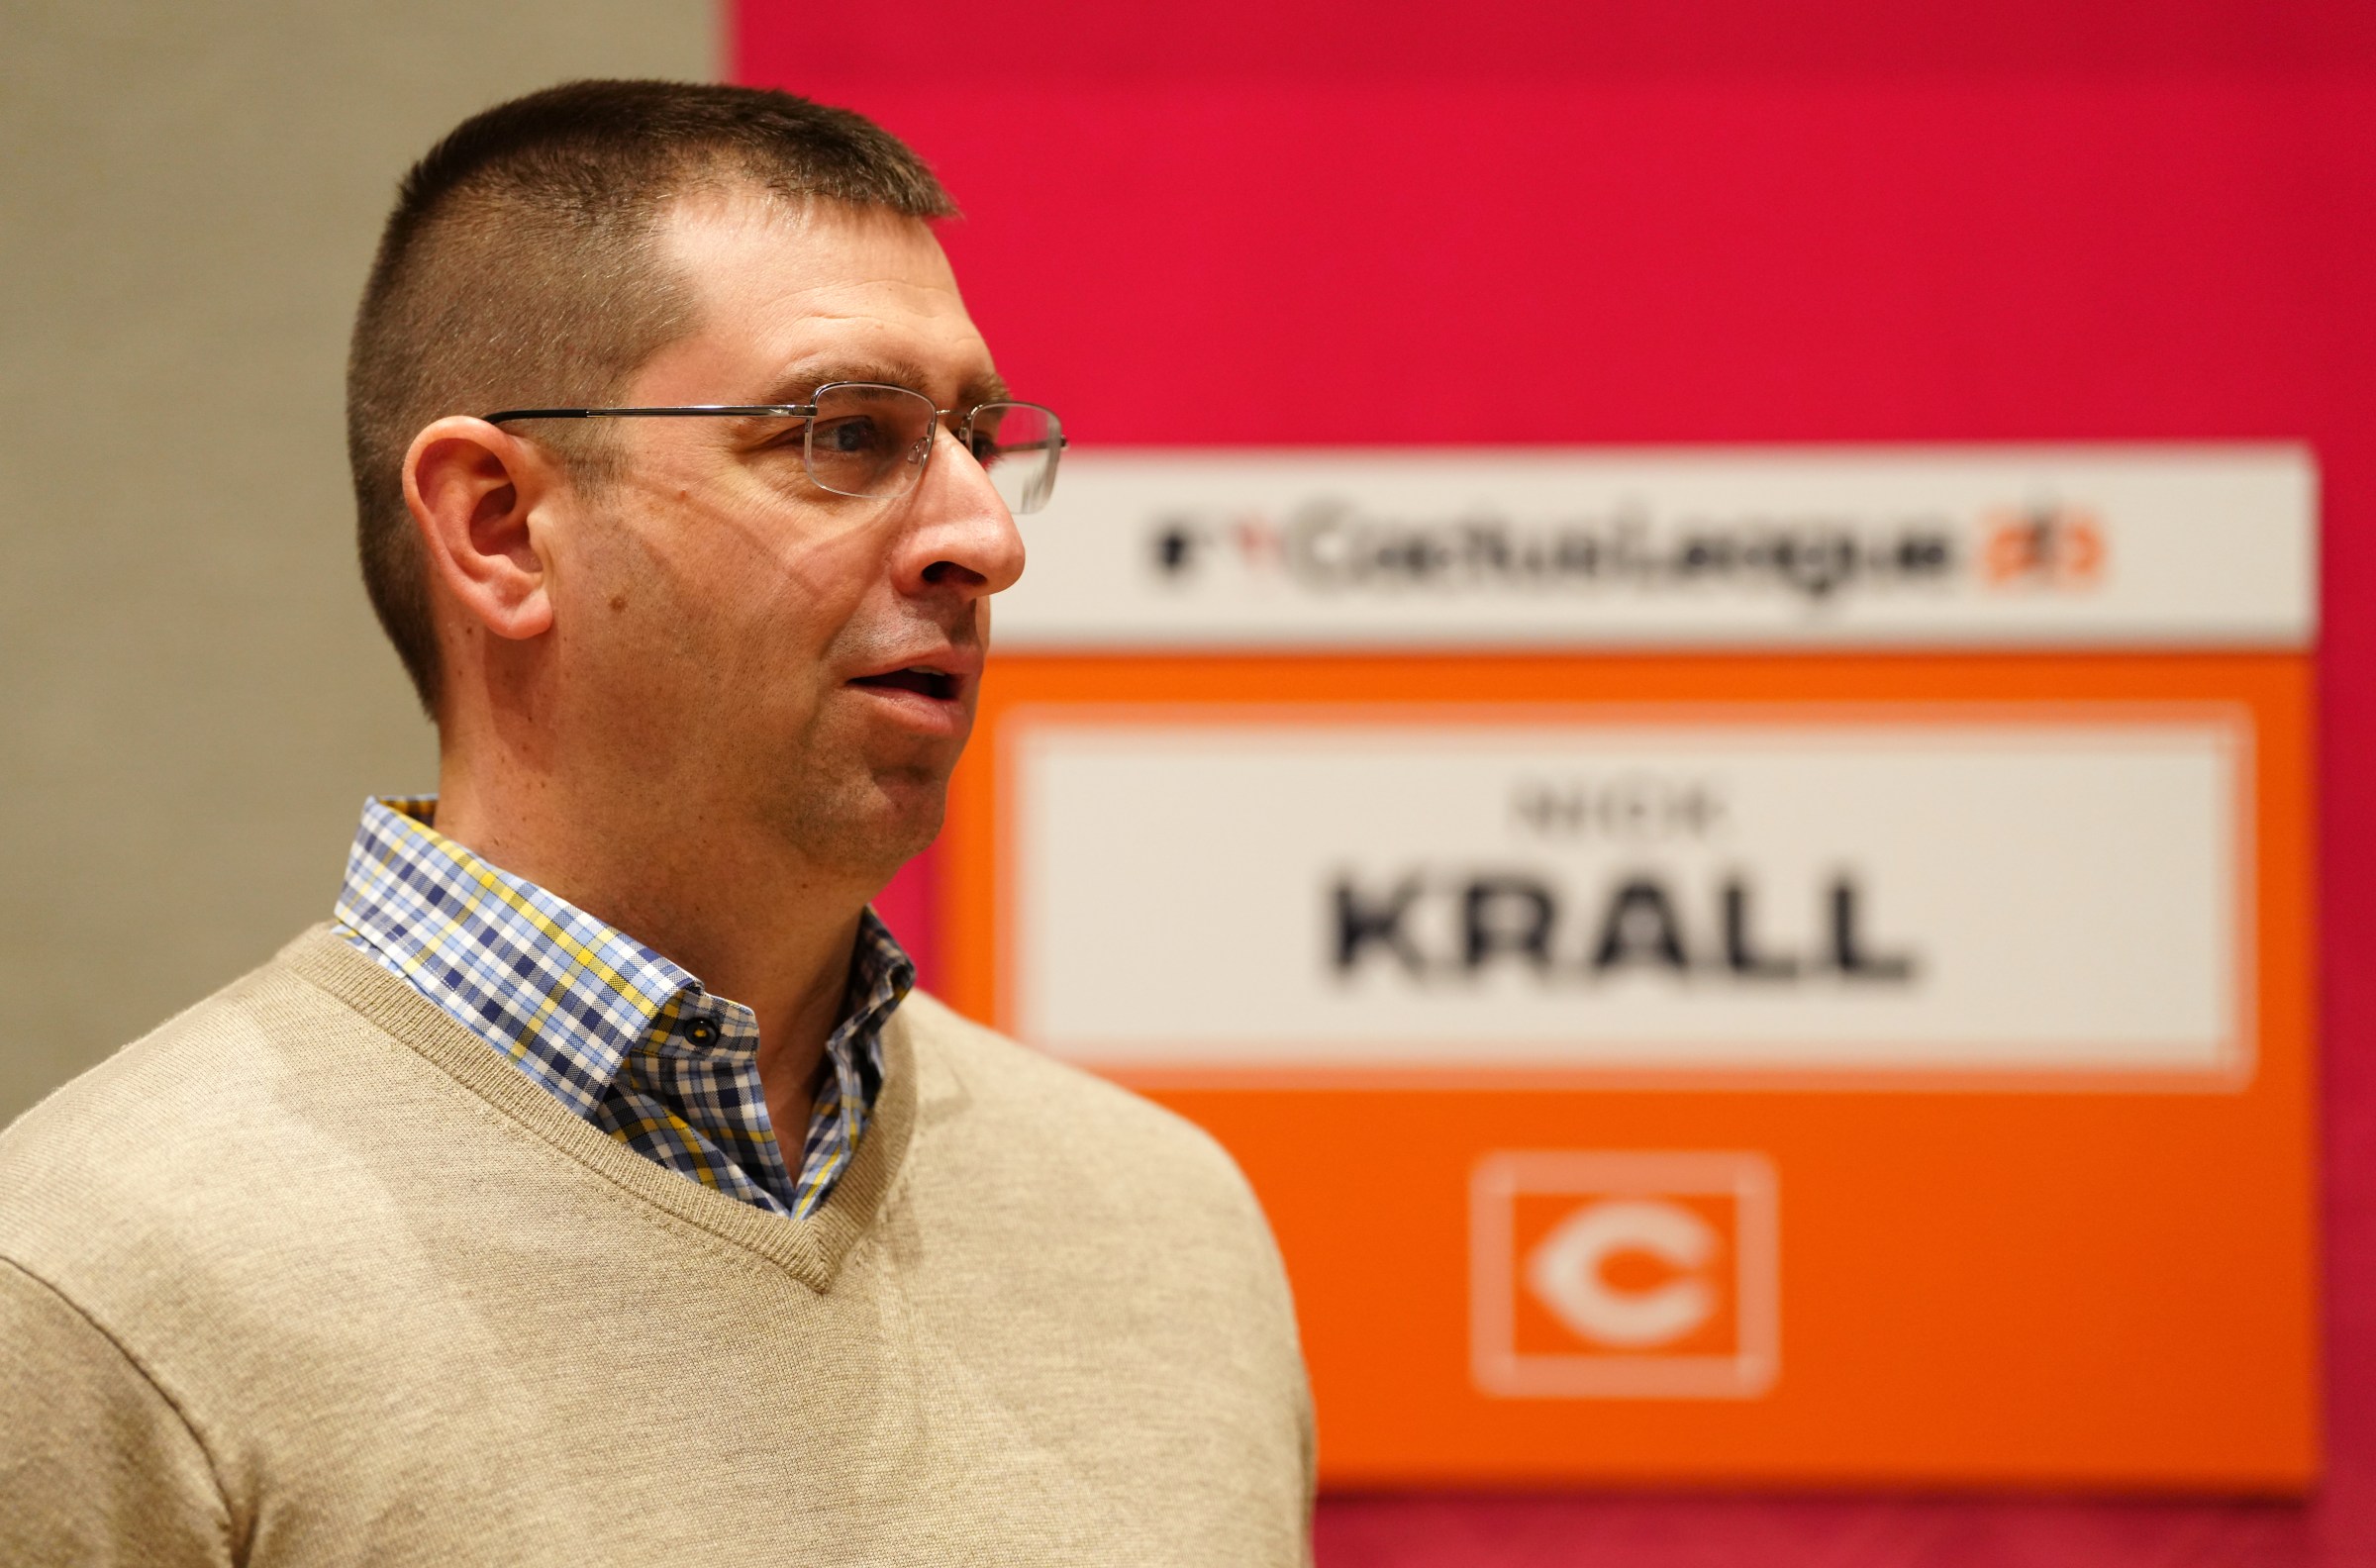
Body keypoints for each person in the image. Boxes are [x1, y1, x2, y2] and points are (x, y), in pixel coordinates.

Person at [0, 80, 1312, 1565]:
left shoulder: (1166, 1230)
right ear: (499, 526)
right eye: (844, 436)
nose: (986, 540)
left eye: (976, 444)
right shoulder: (92, 1291)